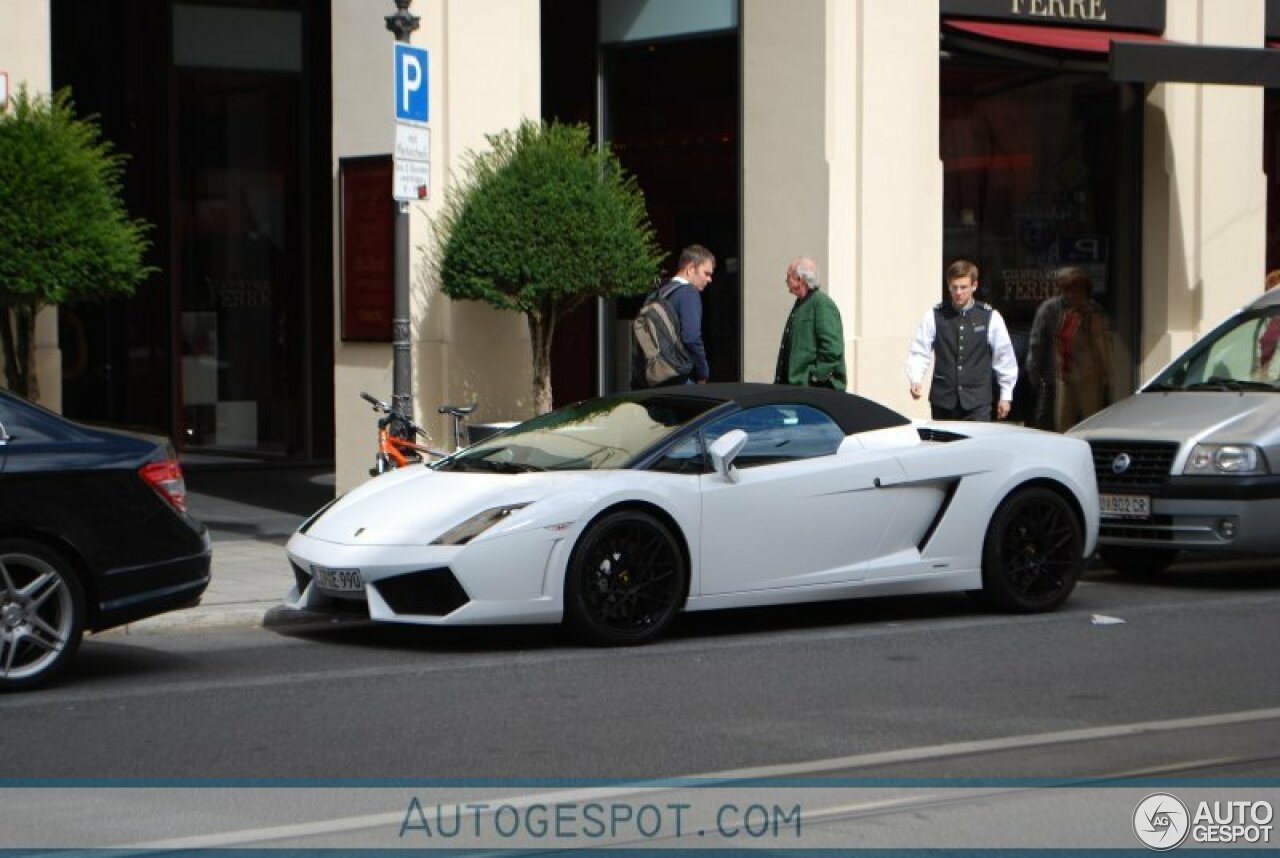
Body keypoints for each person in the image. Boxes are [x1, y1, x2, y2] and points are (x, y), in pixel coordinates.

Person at [906, 259, 1017, 421]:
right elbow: (920, 350)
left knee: (976, 445)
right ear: (949, 286)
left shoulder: (990, 316)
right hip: (943, 400)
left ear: (974, 286)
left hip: (977, 402)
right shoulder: (935, 315)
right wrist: (915, 378)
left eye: (963, 287)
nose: (958, 292)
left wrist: (1006, 395)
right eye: (954, 287)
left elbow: (1004, 356)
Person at [1026, 267, 1112, 432]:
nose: (1072, 296)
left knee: (1090, 422)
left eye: (1077, 291)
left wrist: (1106, 375)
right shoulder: (1051, 309)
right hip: (1057, 378)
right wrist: (1035, 373)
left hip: (1087, 378)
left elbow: (1103, 345)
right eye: (1067, 290)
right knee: (1054, 422)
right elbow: (1037, 343)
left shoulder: (1094, 312)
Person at [773, 257, 846, 389]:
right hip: (798, 389)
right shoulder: (802, 303)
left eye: (788, 276)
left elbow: (832, 348)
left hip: (814, 391)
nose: (785, 280)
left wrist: (815, 376)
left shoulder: (821, 303)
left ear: (800, 279)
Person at [651, 244, 714, 385]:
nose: (709, 280)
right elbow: (691, 338)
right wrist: (703, 373)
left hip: (653, 376)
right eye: (706, 273)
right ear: (690, 269)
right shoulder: (688, 292)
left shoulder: (659, 293)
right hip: (679, 377)